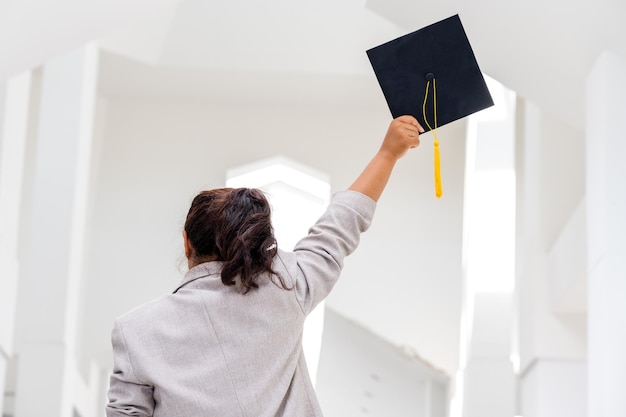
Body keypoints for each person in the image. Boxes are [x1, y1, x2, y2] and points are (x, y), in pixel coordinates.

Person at [106, 115, 424, 417]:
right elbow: (341, 224)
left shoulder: (136, 330)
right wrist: (388, 154)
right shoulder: (288, 288)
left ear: (187, 242)